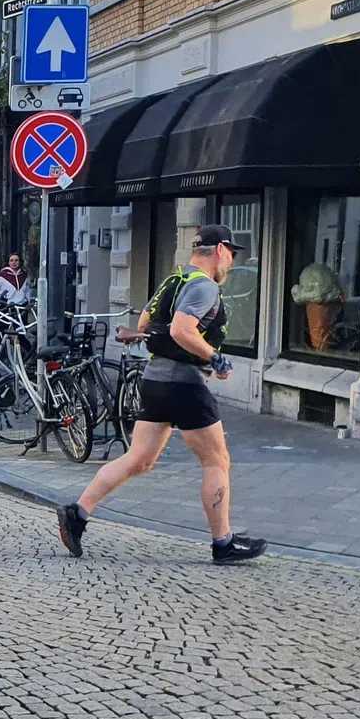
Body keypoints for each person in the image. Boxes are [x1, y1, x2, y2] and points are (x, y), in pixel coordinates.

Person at [56, 224, 267, 565]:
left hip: (154, 379)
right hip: (184, 385)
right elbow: (181, 329)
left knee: (139, 459)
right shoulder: (205, 287)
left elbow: (143, 325)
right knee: (217, 461)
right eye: (231, 253)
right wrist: (213, 357)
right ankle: (223, 542)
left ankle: (77, 513)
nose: (230, 260)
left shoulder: (175, 280)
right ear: (219, 251)